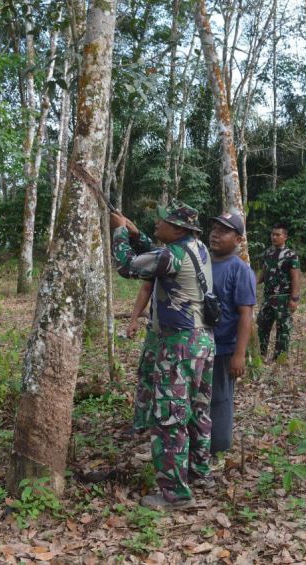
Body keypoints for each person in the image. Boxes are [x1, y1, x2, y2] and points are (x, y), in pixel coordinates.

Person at [110, 200, 215, 510]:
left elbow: (128, 266)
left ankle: (175, 494)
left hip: (179, 345)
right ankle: (199, 472)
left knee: (170, 417)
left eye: (163, 222)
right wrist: (134, 232)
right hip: (202, 342)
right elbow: (152, 254)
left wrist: (118, 233)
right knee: (197, 411)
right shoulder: (197, 248)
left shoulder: (173, 255)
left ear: (179, 228)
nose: (157, 225)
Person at [208, 213, 256, 456]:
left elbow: (245, 314)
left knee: (220, 400)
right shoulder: (202, 262)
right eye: (214, 228)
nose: (215, 233)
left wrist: (239, 354)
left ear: (238, 239)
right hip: (198, 345)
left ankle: (218, 449)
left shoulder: (240, 270)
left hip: (224, 347)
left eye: (223, 231)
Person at [256, 223, 301, 360]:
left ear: (285, 237)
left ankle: (279, 359)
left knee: (283, 329)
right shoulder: (268, 253)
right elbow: (263, 273)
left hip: (283, 298)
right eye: (272, 234)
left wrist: (294, 299)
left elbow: (295, 277)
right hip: (268, 297)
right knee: (262, 325)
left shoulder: (291, 255)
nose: (274, 237)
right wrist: (253, 284)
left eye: (278, 235)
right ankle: (260, 354)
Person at [127, 281, 154, 435]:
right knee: (146, 374)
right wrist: (134, 319)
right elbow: (146, 286)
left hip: (183, 333)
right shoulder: (160, 258)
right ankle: (141, 424)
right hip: (157, 329)